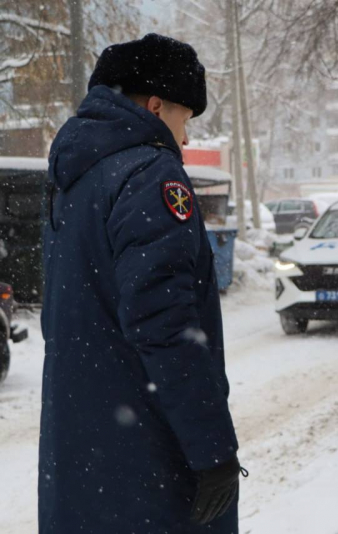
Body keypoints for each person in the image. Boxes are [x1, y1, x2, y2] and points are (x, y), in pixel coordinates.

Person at [40, 34, 241, 533]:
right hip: (148, 461)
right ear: (156, 106)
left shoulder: (73, 178)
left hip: (82, 450)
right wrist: (212, 448)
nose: (186, 139)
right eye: (185, 120)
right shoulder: (151, 174)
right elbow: (165, 325)